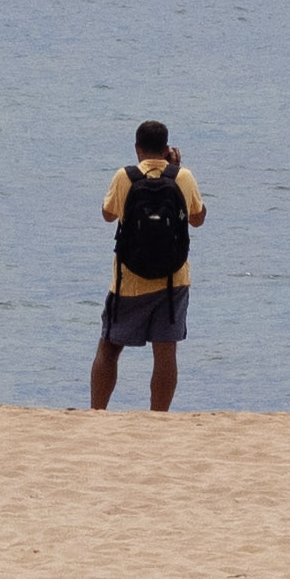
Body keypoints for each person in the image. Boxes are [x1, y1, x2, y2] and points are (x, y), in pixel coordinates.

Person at [90, 119, 203, 410]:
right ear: (167, 149)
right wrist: (177, 168)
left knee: (110, 346)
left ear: (137, 148)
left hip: (128, 279)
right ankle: (159, 418)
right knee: (165, 352)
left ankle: (97, 412)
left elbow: (107, 215)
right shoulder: (183, 177)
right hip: (172, 281)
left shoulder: (124, 177)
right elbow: (197, 218)